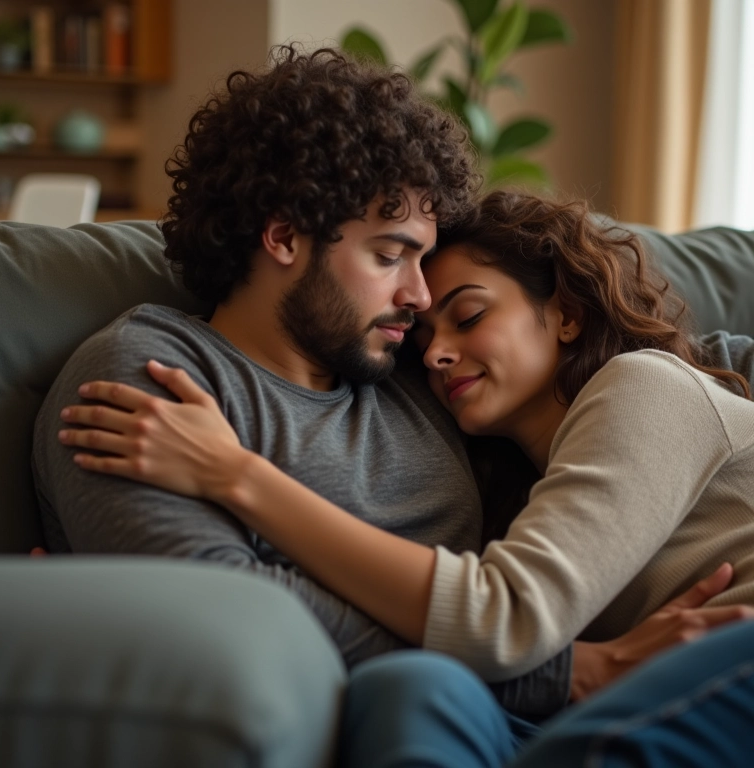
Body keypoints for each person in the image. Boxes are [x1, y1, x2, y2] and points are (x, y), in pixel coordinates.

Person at [52, 188, 754, 766]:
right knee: (410, 687)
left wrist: (237, 474)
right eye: (424, 336)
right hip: (590, 699)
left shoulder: (648, 383)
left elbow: (499, 615)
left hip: (731, 651)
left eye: (468, 315)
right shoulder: (497, 476)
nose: (436, 348)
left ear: (567, 313)